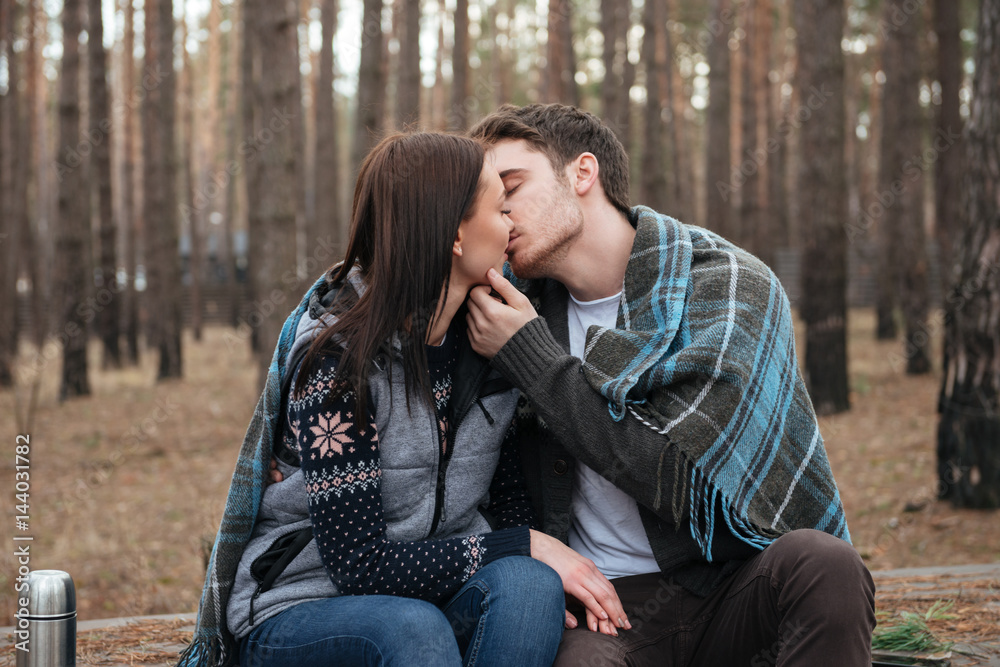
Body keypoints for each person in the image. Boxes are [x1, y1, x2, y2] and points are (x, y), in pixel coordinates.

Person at [178, 132, 626, 667]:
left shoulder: (491, 351)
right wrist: (522, 544)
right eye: (495, 206)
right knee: (415, 629)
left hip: (431, 598)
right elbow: (359, 566)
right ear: (455, 236)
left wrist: (530, 550)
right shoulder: (340, 364)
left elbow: (509, 510)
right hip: (303, 608)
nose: (510, 221)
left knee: (530, 587)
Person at [463, 104, 877, 666]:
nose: (501, 214)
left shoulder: (727, 285)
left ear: (583, 173)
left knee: (825, 566)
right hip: (600, 610)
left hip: (727, 586)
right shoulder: (507, 305)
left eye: (511, 186)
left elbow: (686, 479)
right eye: (487, 202)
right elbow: (387, 281)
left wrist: (534, 362)